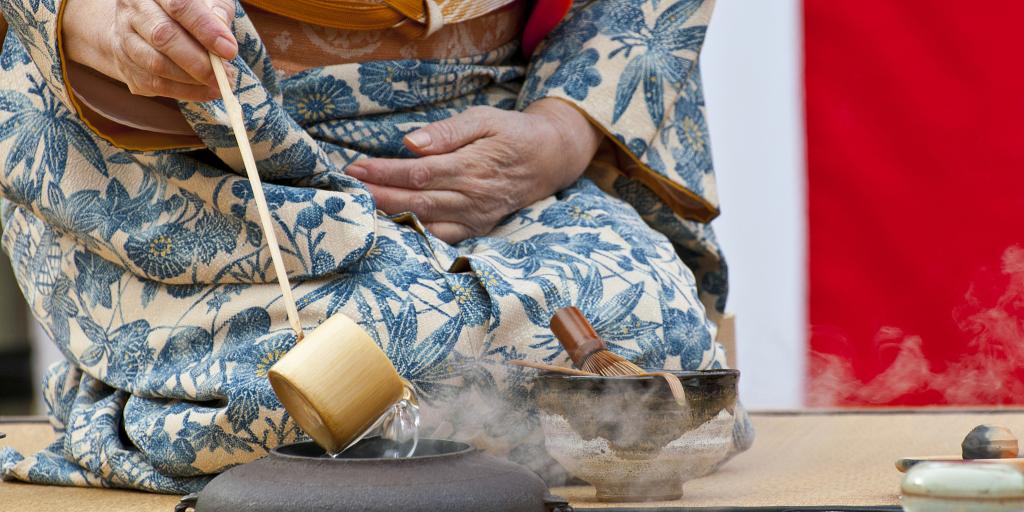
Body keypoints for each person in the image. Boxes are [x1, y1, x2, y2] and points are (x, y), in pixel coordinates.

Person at [0, 0, 747, 492]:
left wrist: (563, 127)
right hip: (187, 133)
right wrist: (94, 20)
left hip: (469, 121)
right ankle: (146, 387)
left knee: (657, 347)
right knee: (320, 386)